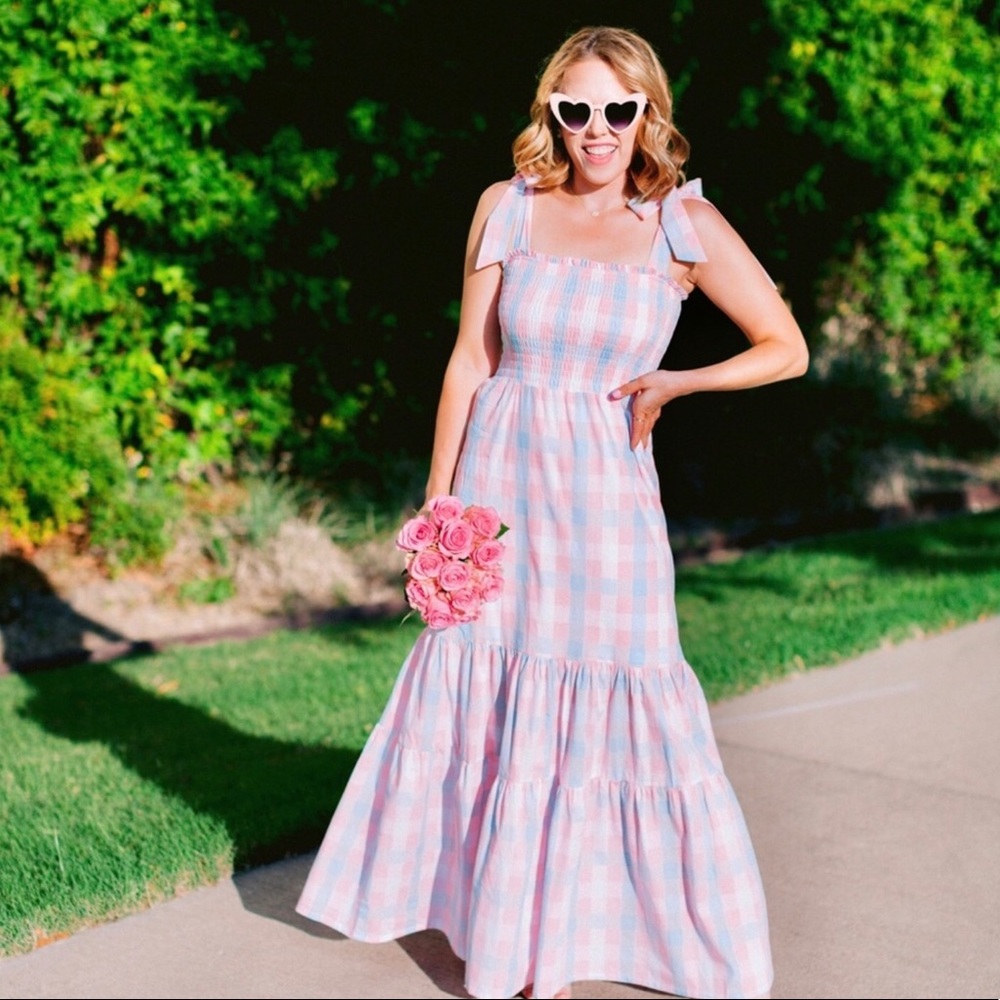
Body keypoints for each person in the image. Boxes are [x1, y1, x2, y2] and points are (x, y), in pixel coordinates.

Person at [297, 25, 807, 1000]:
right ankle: (514, 946)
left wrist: (676, 382)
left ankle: (624, 936)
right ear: (552, 114)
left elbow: (784, 345)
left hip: (608, 510)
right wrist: (441, 502)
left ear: (647, 113)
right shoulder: (507, 209)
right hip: (501, 491)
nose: (597, 129)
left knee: (623, 697)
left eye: (618, 108)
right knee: (488, 698)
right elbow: (470, 361)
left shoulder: (681, 225)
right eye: (576, 108)